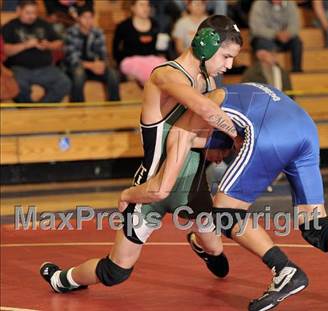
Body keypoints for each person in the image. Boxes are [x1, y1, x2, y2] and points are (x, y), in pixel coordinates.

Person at [119, 82, 328, 311]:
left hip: (269, 133)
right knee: (316, 225)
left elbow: (171, 170)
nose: (218, 162)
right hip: (305, 129)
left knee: (226, 214)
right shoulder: (241, 95)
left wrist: (132, 192)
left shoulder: (198, 122)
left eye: (217, 156)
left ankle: (283, 270)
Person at [40, 15, 242, 295]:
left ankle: (199, 242)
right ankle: (64, 279)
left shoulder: (207, 81)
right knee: (115, 272)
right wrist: (241, 135)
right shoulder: (165, 76)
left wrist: (219, 147)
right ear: (206, 45)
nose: (229, 65)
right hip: (152, 188)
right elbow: (207, 112)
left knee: (216, 248)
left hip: (192, 187)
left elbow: (192, 137)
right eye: (226, 56)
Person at [2, 0, 71, 103]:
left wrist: (48, 45)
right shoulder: (10, 26)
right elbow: (5, 50)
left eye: (34, 13)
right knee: (18, 86)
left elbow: (59, 43)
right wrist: (25, 45)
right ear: (18, 11)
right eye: (28, 13)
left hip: (45, 68)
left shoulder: (44, 24)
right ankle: (29, 110)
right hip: (20, 69)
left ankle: (40, 109)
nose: (32, 16)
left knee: (64, 83)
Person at [64, 6, 120, 102]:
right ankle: (78, 108)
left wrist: (101, 64)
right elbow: (72, 58)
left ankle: (115, 106)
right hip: (77, 66)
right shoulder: (70, 32)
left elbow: (103, 54)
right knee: (78, 74)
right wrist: (90, 66)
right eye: (85, 17)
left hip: (95, 65)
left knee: (113, 74)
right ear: (78, 18)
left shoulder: (98, 32)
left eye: (90, 17)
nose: (88, 20)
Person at [112, 0, 169, 85]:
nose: (146, 8)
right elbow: (115, 50)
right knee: (152, 73)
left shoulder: (155, 25)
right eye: (142, 5)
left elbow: (161, 49)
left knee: (166, 68)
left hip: (152, 60)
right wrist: (121, 64)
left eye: (147, 5)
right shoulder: (123, 26)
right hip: (131, 61)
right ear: (133, 8)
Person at [249, 0, 303, 72]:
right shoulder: (259, 4)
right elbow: (257, 28)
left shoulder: (290, 4)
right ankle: (269, 71)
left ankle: (297, 70)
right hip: (264, 38)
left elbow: (295, 25)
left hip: (284, 38)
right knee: (261, 42)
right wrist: (275, 34)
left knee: (297, 42)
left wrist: (287, 33)